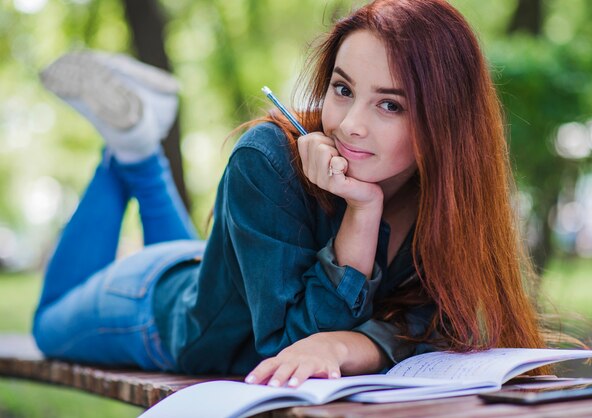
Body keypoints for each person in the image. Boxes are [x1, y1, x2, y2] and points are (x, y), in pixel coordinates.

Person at [32, 0, 550, 388]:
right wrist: (362, 212)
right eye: (343, 90)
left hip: (221, 278)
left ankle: (140, 146)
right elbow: (289, 350)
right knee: (47, 327)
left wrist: (348, 345)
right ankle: (132, 148)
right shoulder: (268, 158)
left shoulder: (449, 199)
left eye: (390, 105)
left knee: (210, 271)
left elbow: (451, 326)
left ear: (447, 123)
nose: (350, 125)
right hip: (152, 313)